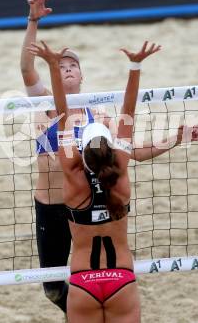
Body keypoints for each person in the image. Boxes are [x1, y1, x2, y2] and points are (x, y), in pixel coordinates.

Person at [20, 0, 198, 316]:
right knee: (51, 289)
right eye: (61, 65)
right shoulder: (46, 105)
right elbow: (26, 69)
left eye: (73, 65)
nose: (68, 69)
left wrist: (174, 139)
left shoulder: (100, 116)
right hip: (51, 207)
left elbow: (132, 154)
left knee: (95, 272)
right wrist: (33, 21)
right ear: (53, 76)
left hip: (87, 202)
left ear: (82, 75)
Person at [27, 39, 162, 322]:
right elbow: (128, 113)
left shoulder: (72, 180)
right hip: (121, 280)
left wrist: (52, 65)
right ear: (112, 150)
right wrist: (135, 66)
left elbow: (63, 116)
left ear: (82, 149)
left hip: (83, 282)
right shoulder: (120, 183)